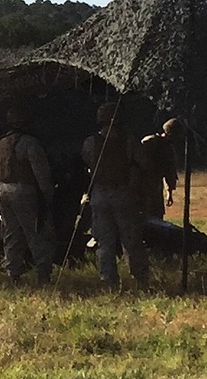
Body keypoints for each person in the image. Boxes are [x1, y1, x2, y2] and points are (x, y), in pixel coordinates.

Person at [81, 102, 149, 289]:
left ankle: (108, 279)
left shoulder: (90, 142)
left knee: (104, 241)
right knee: (131, 239)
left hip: (99, 195)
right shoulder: (129, 140)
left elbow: (87, 163)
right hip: (123, 193)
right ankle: (140, 278)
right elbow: (143, 163)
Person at [0, 106, 55, 285]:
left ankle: (13, 274)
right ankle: (43, 274)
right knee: (36, 233)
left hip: (4, 191)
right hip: (24, 192)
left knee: (11, 234)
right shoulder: (30, 143)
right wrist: (47, 196)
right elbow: (41, 173)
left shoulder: (1, 143)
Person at [139, 118, 184, 220]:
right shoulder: (151, 143)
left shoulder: (152, 142)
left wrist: (169, 193)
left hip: (153, 186)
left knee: (155, 215)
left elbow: (170, 173)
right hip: (144, 185)